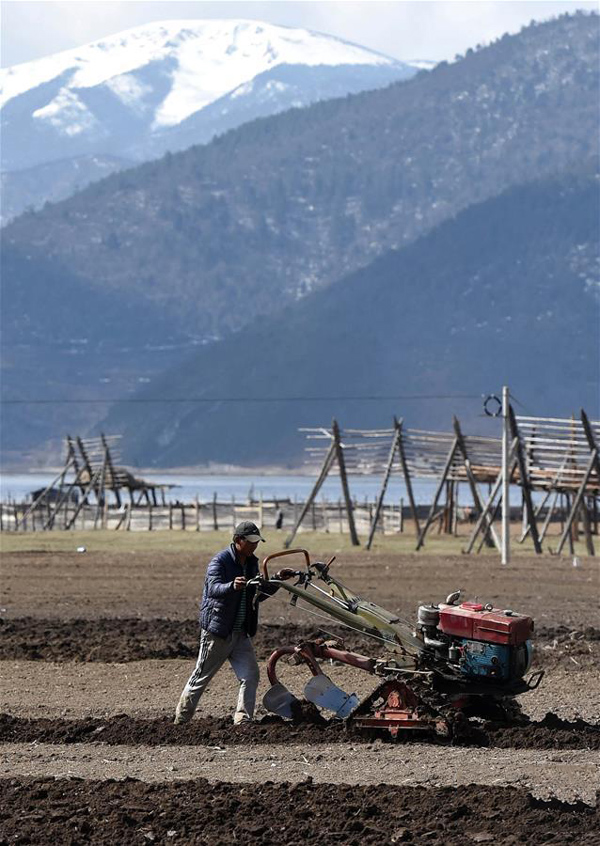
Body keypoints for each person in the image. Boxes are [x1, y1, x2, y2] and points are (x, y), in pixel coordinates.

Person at [174, 520, 295, 725]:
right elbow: (213, 589)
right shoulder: (219, 561)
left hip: (240, 632)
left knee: (250, 675)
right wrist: (231, 586)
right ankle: (181, 719)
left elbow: (258, 593)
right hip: (218, 632)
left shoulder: (251, 562)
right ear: (238, 540)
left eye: (257, 541)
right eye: (251, 541)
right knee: (200, 677)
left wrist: (276, 579)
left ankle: (243, 719)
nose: (255, 545)